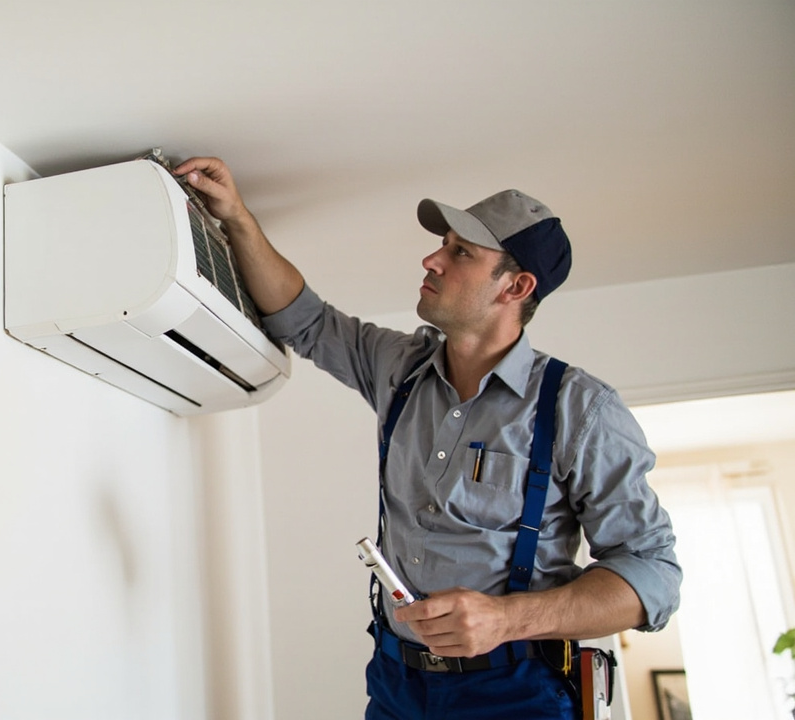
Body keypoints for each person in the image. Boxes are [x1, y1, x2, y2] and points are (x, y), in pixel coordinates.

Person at [174, 157, 681, 719]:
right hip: (395, 681)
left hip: (515, 693)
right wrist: (237, 218)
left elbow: (652, 575)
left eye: (460, 252)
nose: (431, 259)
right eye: (444, 244)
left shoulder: (580, 409)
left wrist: (507, 619)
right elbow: (307, 321)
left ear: (517, 285)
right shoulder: (401, 367)